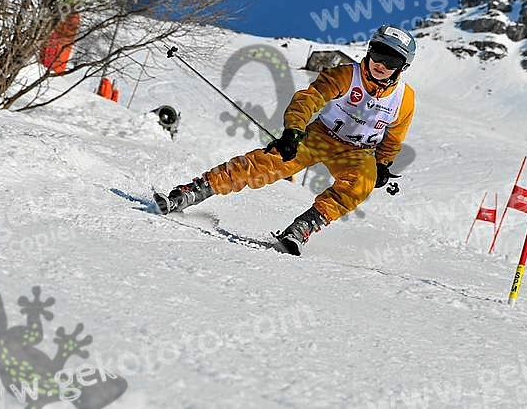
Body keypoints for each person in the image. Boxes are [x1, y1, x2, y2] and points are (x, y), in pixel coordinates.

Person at [154, 25, 417, 255]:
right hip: (322, 136)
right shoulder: (346, 76)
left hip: (357, 152)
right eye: (378, 53)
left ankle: (301, 229)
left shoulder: (403, 100)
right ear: (369, 50)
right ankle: (191, 192)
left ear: (402, 68)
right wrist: (294, 130)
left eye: (391, 61)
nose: (381, 64)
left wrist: (383, 164)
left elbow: (394, 137)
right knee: (271, 163)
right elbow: (309, 99)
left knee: (362, 182)